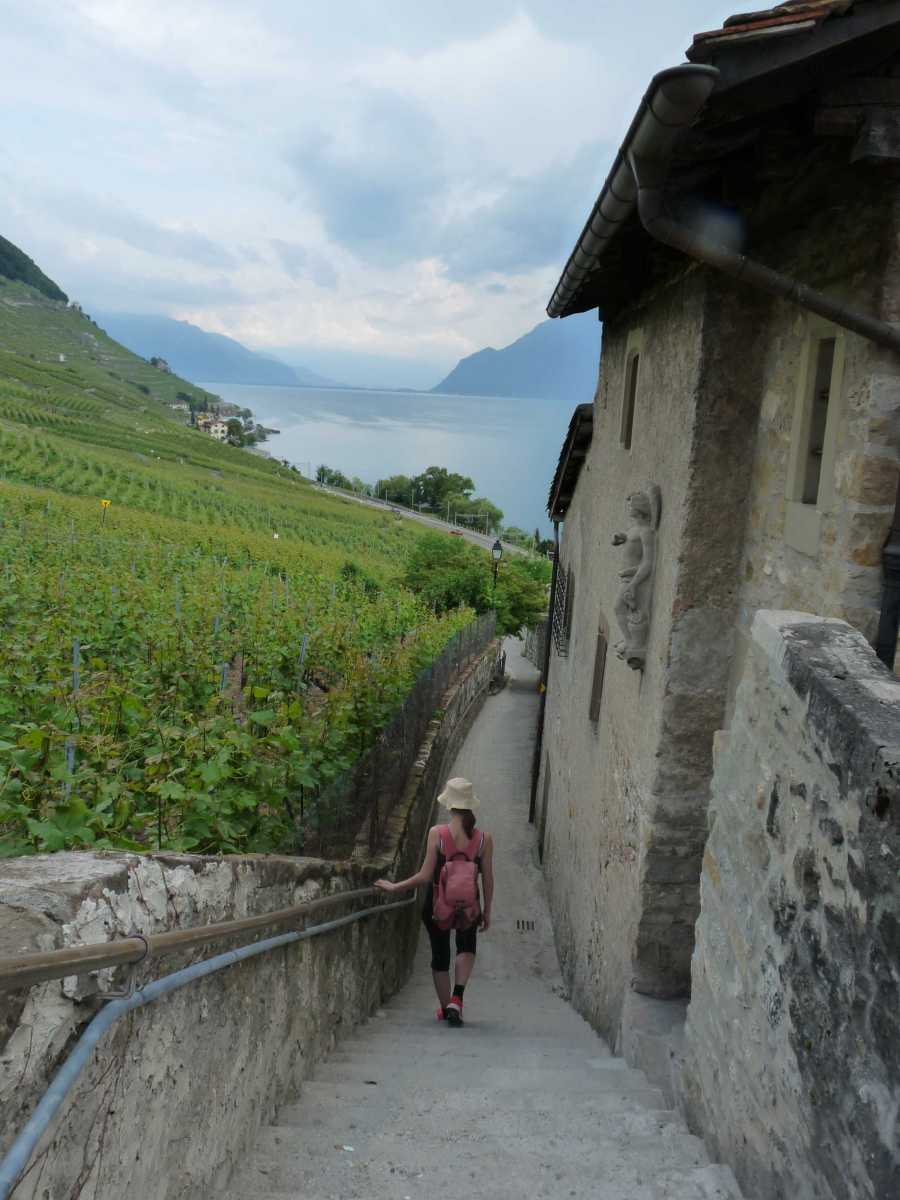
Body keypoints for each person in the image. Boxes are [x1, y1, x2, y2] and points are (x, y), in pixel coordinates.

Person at [375, 777, 494, 1027]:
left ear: (449, 805)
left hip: (437, 903)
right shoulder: (484, 840)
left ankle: (446, 1008)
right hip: (469, 905)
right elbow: (488, 880)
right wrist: (488, 911)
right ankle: (457, 999)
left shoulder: (437, 834)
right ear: (470, 805)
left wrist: (395, 886)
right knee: (466, 947)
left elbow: (425, 875)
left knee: (440, 955)